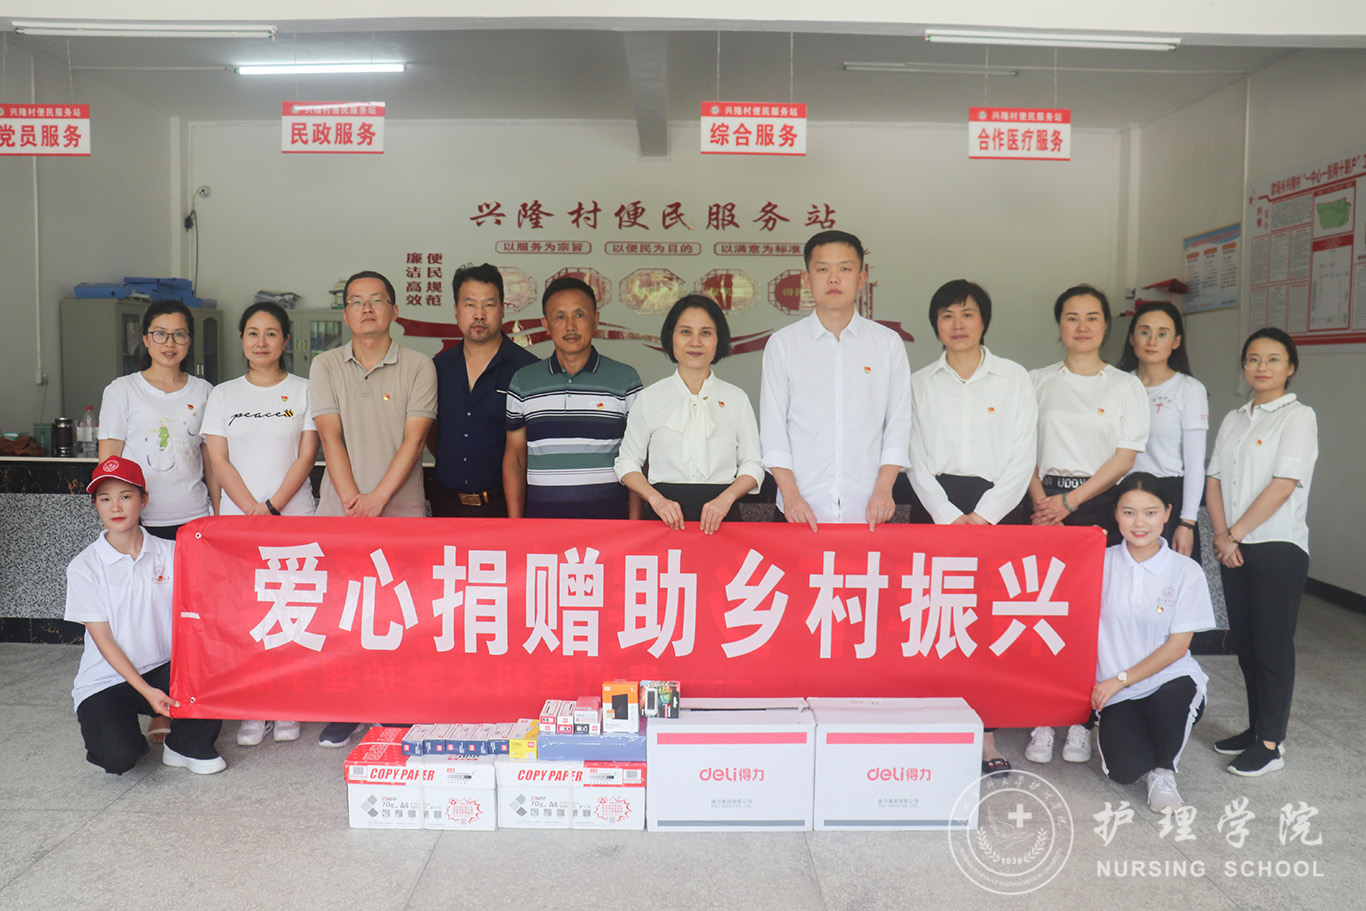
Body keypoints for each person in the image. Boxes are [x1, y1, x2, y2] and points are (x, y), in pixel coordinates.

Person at [906, 279, 1036, 775]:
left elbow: (1024, 454)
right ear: (935, 324)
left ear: (984, 321)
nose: (957, 325)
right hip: (935, 506)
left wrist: (983, 516)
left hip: (998, 509)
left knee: (989, 623)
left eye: (967, 314)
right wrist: (948, 516)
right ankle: (934, 726)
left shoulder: (1014, 378)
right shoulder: (918, 383)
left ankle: (987, 736)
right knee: (936, 618)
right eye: (946, 315)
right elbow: (913, 456)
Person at [309, 270, 437, 748]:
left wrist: (378, 499)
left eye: (377, 300)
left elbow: (414, 440)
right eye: (356, 301)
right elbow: (330, 436)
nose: (366, 308)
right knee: (345, 614)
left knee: (400, 613)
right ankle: (347, 708)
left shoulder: (419, 366)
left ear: (393, 311)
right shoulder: (325, 365)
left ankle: (396, 704)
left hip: (401, 513)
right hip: (340, 513)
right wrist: (352, 502)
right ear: (345, 314)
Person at [1025, 284, 1149, 766]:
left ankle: (1080, 718)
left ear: (1106, 326)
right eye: (1071, 317)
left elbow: (1125, 456)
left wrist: (1070, 503)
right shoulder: (1036, 381)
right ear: (1059, 325)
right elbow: (1020, 449)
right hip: (1040, 501)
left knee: (1092, 614)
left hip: (1099, 503)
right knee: (1042, 609)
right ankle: (1041, 715)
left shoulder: (1125, 386)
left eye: (1092, 317)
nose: (1082, 326)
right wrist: (1044, 504)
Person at [97, 299, 215, 744]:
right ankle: (152, 705)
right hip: (141, 525)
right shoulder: (122, 390)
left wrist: (217, 515)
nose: (170, 343)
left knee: (187, 620)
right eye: (160, 334)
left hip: (192, 522)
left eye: (179, 334)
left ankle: (187, 704)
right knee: (145, 619)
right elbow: (109, 462)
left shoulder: (205, 392)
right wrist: (116, 522)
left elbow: (210, 460)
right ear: (145, 340)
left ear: (189, 341)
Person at [203, 301, 319, 747]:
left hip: (293, 520)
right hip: (239, 523)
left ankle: (287, 702)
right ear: (241, 339)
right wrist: (252, 508)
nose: (261, 342)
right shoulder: (223, 395)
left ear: (286, 340)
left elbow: (307, 455)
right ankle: (254, 705)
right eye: (253, 333)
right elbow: (218, 460)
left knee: (292, 612)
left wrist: (272, 507)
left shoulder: (305, 390)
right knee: (248, 615)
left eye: (271, 333)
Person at [65, 457, 225, 775]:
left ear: (143, 499)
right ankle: (130, 730)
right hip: (107, 679)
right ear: (95, 505)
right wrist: (146, 691)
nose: (116, 507)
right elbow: (103, 640)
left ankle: (186, 745)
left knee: (209, 664)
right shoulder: (84, 567)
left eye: (125, 496)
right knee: (119, 757)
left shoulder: (173, 552)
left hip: (165, 668)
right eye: (105, 499)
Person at [1206, 328, 1317, 777]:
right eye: (1253, 359)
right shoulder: (1235, 419)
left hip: (1276, 546)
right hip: (1234, 547)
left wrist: (1234, 533)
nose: (1261, 367)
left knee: (1272, 647)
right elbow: (1214, 479)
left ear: (1290, 368)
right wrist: (1222, 536)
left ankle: (1271, 744)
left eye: (1273, 359)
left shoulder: (1298, 417)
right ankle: (1256, 729)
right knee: (1247, 646)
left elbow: (1283, 484)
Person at [759, 230, 912, 531]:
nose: (833, 278)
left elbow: (899, 423)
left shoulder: (887, 344)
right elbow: (773, 428)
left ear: (862, 277)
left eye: (844, 268)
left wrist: (884, 490)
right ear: (806, 279)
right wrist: (791, 496)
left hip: (870, 509)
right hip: (798, 509)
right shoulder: (783, 344)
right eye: (822, 269)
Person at [1092, 473, 1213, 813]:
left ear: (1167, 513)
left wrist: (1120, 679)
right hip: (1118, 692)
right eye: (1129, 512)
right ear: (1116, 514)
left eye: (1150, 512)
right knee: (1124, 770)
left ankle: (1164, 774)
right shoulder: (1098, 562)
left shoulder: (1185, 571)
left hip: (1167, 679)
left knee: (1170, 703)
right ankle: (1146, 742)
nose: (1139, 523)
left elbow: (1177, 647)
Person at [614, 295, 762, 533]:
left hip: (722, 517)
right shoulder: (650, 398)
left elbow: (753, 464)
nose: (695, 342)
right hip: (663, 516)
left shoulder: (737, 399)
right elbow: (626, 463)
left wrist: (726, 499)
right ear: (671, 336)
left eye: (706, 333)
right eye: (685, 332)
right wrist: (656, 500)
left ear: (719, 339)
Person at [504, 276, 643, 519]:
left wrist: (635, 525)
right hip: (542, 523)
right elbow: (515, 458)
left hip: (611, 525)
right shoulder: (523, 382)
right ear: (546, 324)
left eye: (579, 315)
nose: (570, 326)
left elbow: (638, 459)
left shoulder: (625, 380)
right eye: (560, 317)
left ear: (595, 320)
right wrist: (516, 524)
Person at [428, 263, 537, 517]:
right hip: (445, 506)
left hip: (504, 507)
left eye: (489, 305)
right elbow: (431, 433)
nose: (479, 315)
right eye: (470, 305)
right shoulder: (436, 368)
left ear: (503, 309)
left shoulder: (528, 370)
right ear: (456, 310)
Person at [1117, 302, 1209, 556]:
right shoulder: (1117, 385)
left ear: (1176, 341)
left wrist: (1187, 522)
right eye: (1144, 332)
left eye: (1162, 333)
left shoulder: (1189, 389)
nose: (1152, 341)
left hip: (1167, 495)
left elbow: (1194, 463)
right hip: (1122, 494)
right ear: (1131, 338)